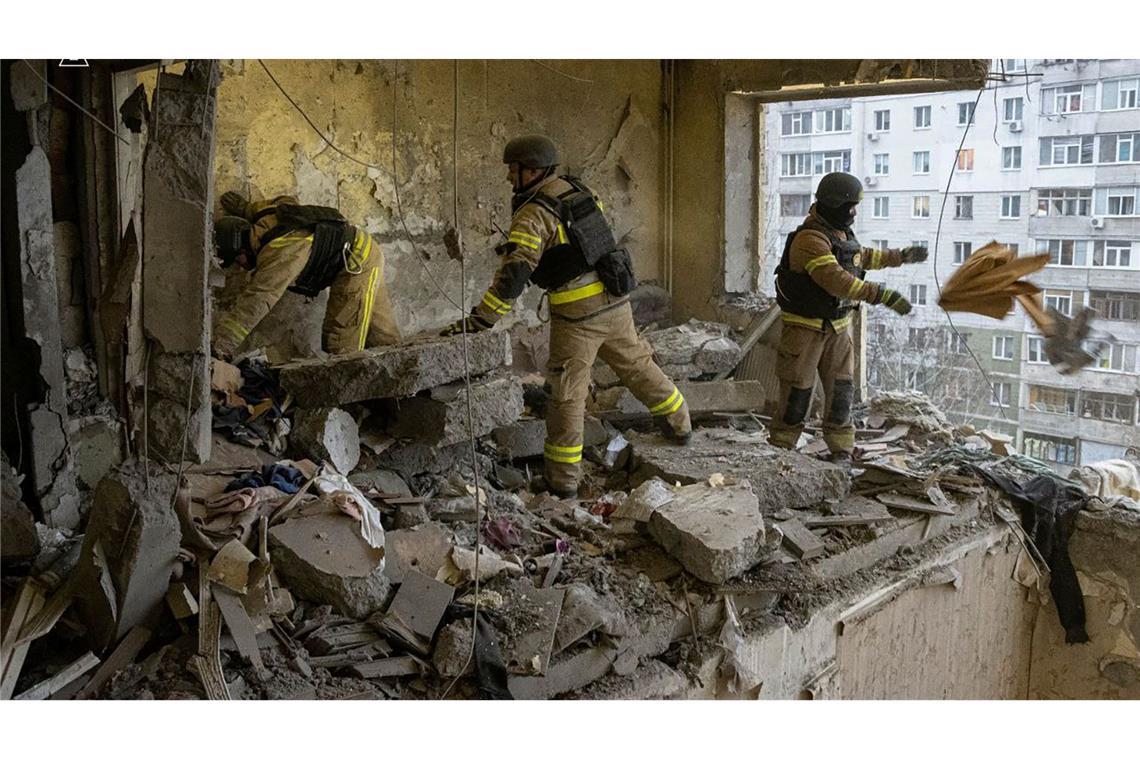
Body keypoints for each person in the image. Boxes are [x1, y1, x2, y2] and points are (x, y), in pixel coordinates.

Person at [443, 135, 690, 498]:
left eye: (514, 169)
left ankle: (562, 481)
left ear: (534, 170)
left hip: (578, 318)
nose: (510, 177)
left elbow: (514, 277)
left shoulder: (533, 213)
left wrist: (482, 320)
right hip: (616, 302)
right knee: (637, 365)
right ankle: (680, 423)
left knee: (566, 395)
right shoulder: (578, 191)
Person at [769, 171, 927, 464]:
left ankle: (841, 448)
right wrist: (882, 295)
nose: (854, 212)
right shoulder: (809, 239)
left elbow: (861, 257)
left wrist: (900, 256)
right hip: (805, 331)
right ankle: (781, 449)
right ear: (832, 203)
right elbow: (836, 280)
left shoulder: (840, 233)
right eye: (849, 205)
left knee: (842, 393)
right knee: (797, 395)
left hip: (839, 330)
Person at [211, 193, 400, 360]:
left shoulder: (278, 253)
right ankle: (401, 388)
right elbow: (286, 200)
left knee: (342, 345)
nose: (240, 266)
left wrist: (223, 342)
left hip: (354, 265)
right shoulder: (267, 215)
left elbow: (258, 298)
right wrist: (246, 208)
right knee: (382, 334)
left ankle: (351, 399)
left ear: (241, 248)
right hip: (366, 249)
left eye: (237, 260)